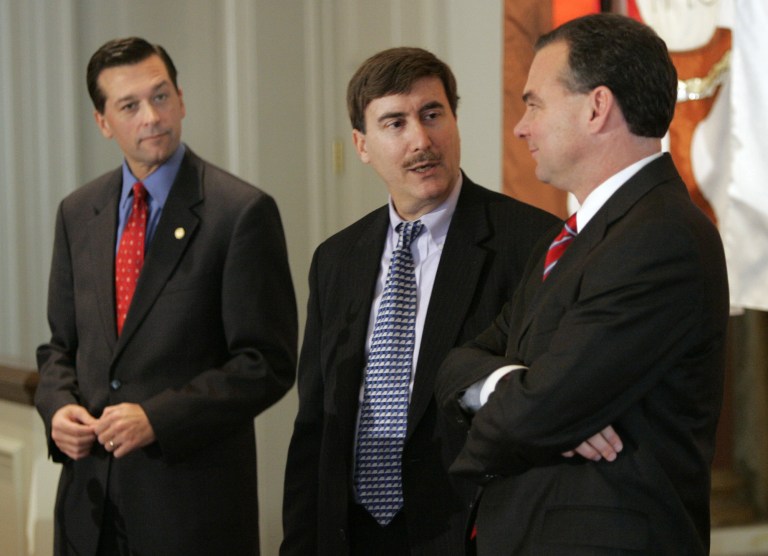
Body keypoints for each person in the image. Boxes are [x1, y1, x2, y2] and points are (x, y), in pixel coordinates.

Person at [436, 13, 729, 555]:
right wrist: (506, 383)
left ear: (596, 108)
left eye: (535, 104)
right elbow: (464, 361)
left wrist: (522, 399)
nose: (521, 127)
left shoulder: (660, 238)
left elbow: (534, 415)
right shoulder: (577, 235)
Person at [280, 47, 559, 556]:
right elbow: (314, 426)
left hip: (467, 530)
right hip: (353, 532)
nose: (421, 140)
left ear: (454, 119)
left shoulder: (531, 242)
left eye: (433, 114)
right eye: (395, 123)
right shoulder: (336, 259)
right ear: (362, 145)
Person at [35, 37, 297, 555]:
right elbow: (59, 348)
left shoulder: (240, 212)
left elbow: (267, 362)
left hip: (190, 513)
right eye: (129, 106)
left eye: (160, 97)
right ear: (103, 122)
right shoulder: (77, 212)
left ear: (180, 98)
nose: (151, 116)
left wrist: (159, 417)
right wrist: (57, 407)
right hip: (89, 512)